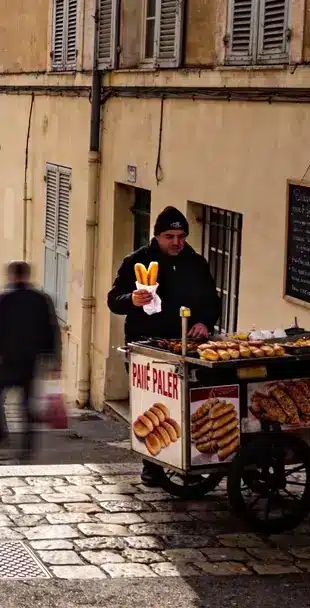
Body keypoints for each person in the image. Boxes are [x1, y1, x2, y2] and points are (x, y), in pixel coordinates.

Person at [107, 206, 220, 486]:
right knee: (151, 405)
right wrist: (131, 299)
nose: (176, 242)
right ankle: (152, 465)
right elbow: (113, 300)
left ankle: (187, 461)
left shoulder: (196, 263)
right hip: (146, 346)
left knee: (187, 405)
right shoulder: (136, 261)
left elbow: (211, 301)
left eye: (181, 236)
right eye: (170, 236)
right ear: (157, 236)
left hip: (186, 345)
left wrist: (205, 323)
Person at [0, 260, 61, 463]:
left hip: (6, 360)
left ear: (12, 275)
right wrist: (54, 359)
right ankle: (27, 448)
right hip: (30, 360)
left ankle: (1, 434)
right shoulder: (41, 299)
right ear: (27, 275)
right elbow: (52, 329)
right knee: (27, 404)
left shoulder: (2, 299)